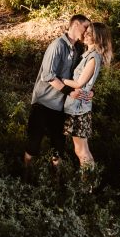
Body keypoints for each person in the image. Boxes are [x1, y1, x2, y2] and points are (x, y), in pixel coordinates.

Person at [23, 14, 91, 167]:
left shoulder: (79, 48)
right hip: (43, 102)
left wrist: (90, 90)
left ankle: (57, 181)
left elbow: (81, 75)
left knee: (58, 148)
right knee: (33, 144)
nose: (87, 31)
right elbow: (48, 75)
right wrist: (69, 91)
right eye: (85, 27)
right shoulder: (57, 45)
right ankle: (26, 176)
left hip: (61, 106)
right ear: (75, 25)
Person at [62, 21, 113, 169]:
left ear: (99, 38)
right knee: (81, 150)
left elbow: (79, 83)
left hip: (78, 109)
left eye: (90, 33)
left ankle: (89, 186)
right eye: (86, 31)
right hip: (78, 106)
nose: (86, 34)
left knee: (82, 151)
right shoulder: (88, 54)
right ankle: (89, 184)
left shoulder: (93, 57)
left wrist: (58, 79)